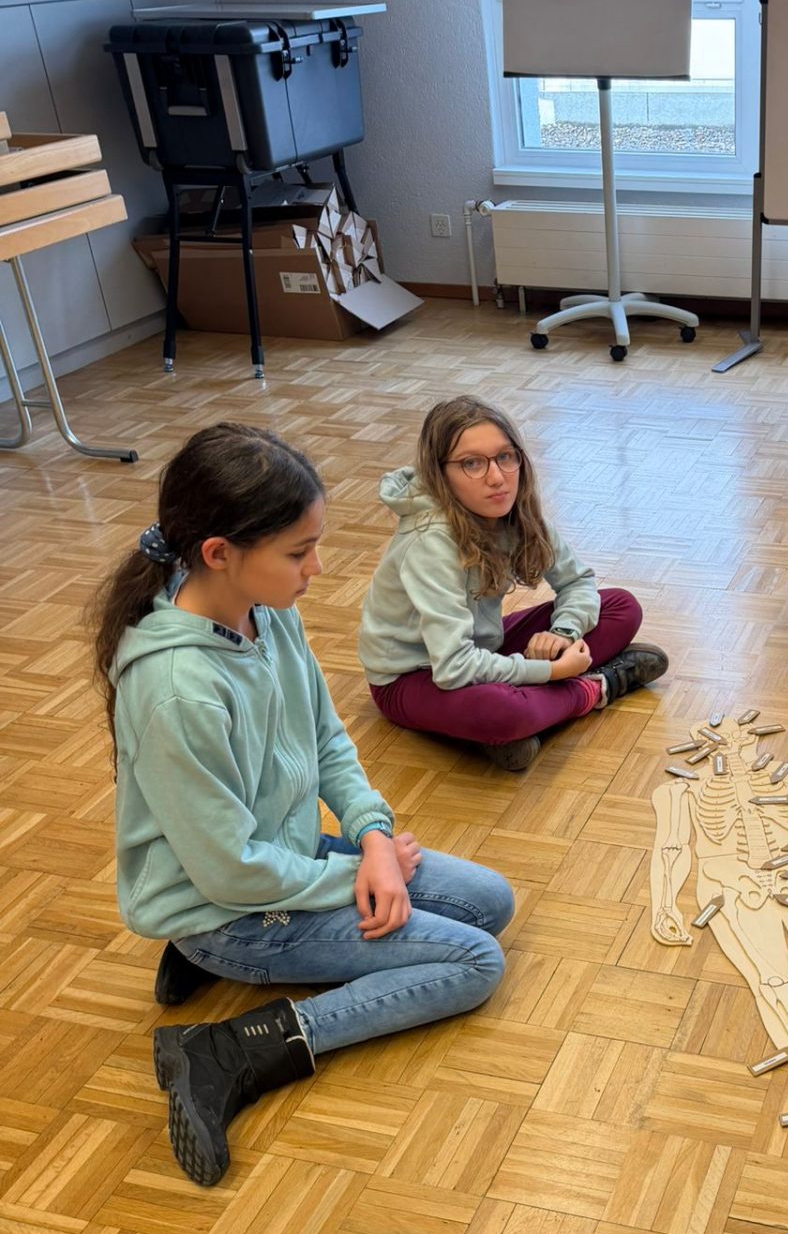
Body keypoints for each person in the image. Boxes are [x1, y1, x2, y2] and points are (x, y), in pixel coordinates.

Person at [94, 422, 515, 1187]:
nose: (317, 569)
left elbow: (324, 737)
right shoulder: (177, 689)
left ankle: (213, 953)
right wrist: (356, 877)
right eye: (299, 552)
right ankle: (228, 1048)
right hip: (229, 906)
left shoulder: (265, 606)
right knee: (474, 961)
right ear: (218, 553)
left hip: (280, 857)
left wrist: (374, 839)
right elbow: (229, 870)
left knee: (491, 902)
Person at [359, 396, 666, 771]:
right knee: (503, 713)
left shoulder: (510, 509)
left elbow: (577, 582)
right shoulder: (429, 542)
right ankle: (595, 688)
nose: (496, 477)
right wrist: (553, 672)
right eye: (472, 463)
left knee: (621, 606)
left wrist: (564, 634)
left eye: (505, 457)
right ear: (440, 474)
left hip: (479, 646)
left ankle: (522, 719)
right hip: (413, 677)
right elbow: (453, 667)